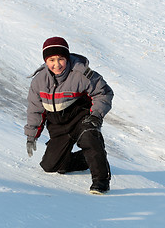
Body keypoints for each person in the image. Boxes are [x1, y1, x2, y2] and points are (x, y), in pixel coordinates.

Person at [24, 37, 114, 194]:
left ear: (67, 57)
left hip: (81, 118)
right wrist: (32, 136)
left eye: (61, 59)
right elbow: (35, 110)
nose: (57, 64)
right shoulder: (39, 81)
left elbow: (104, 93)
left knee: (89, 137)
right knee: (51, 166)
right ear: (46, 60)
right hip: (58, 126)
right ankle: (88, 158)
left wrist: (95, 116)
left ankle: (101, 180)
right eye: (52, 59)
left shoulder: (81, 74)